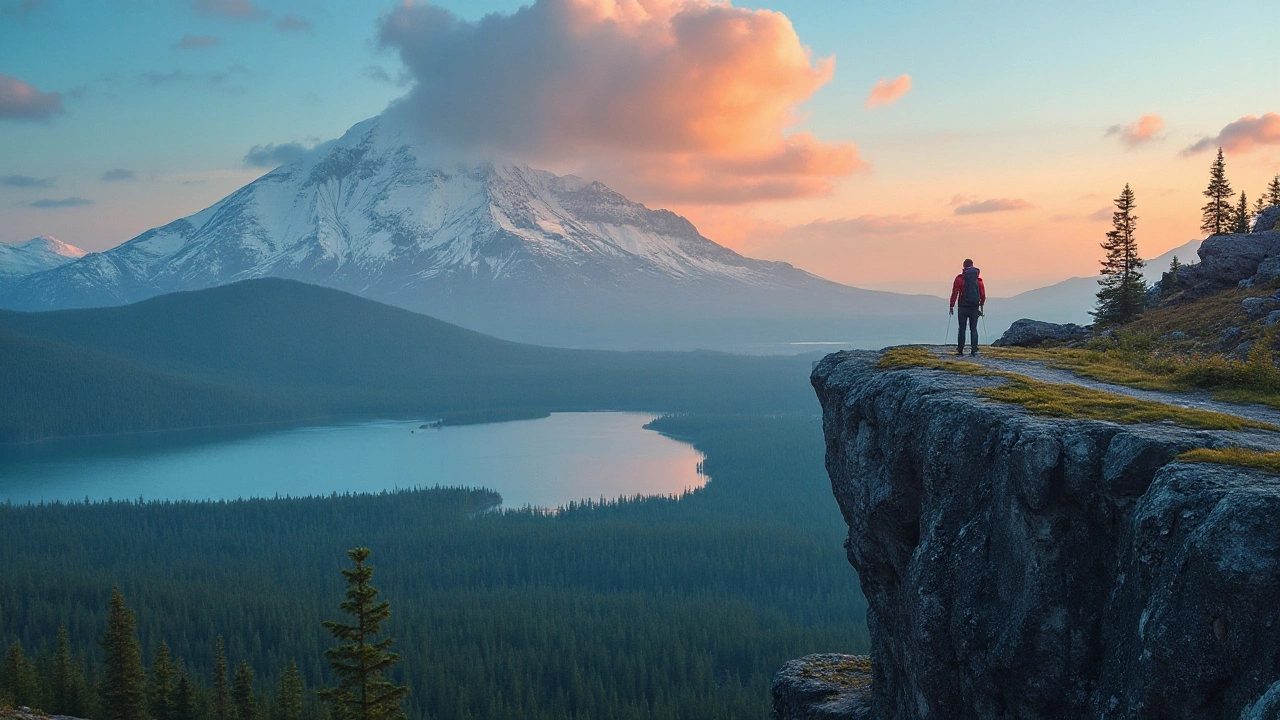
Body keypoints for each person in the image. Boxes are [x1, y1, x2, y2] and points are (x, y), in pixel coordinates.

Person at [949, 259, 985, 356]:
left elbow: (955, 292)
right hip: (974, 307)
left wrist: (951, 305)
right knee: (973, 329)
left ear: (964, 267)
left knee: (962, 328)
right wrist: (981, 304)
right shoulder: (978, 280)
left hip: (962, 307)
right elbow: (982, 293)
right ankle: (974, 350)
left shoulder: (960, 279)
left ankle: (960, 350)